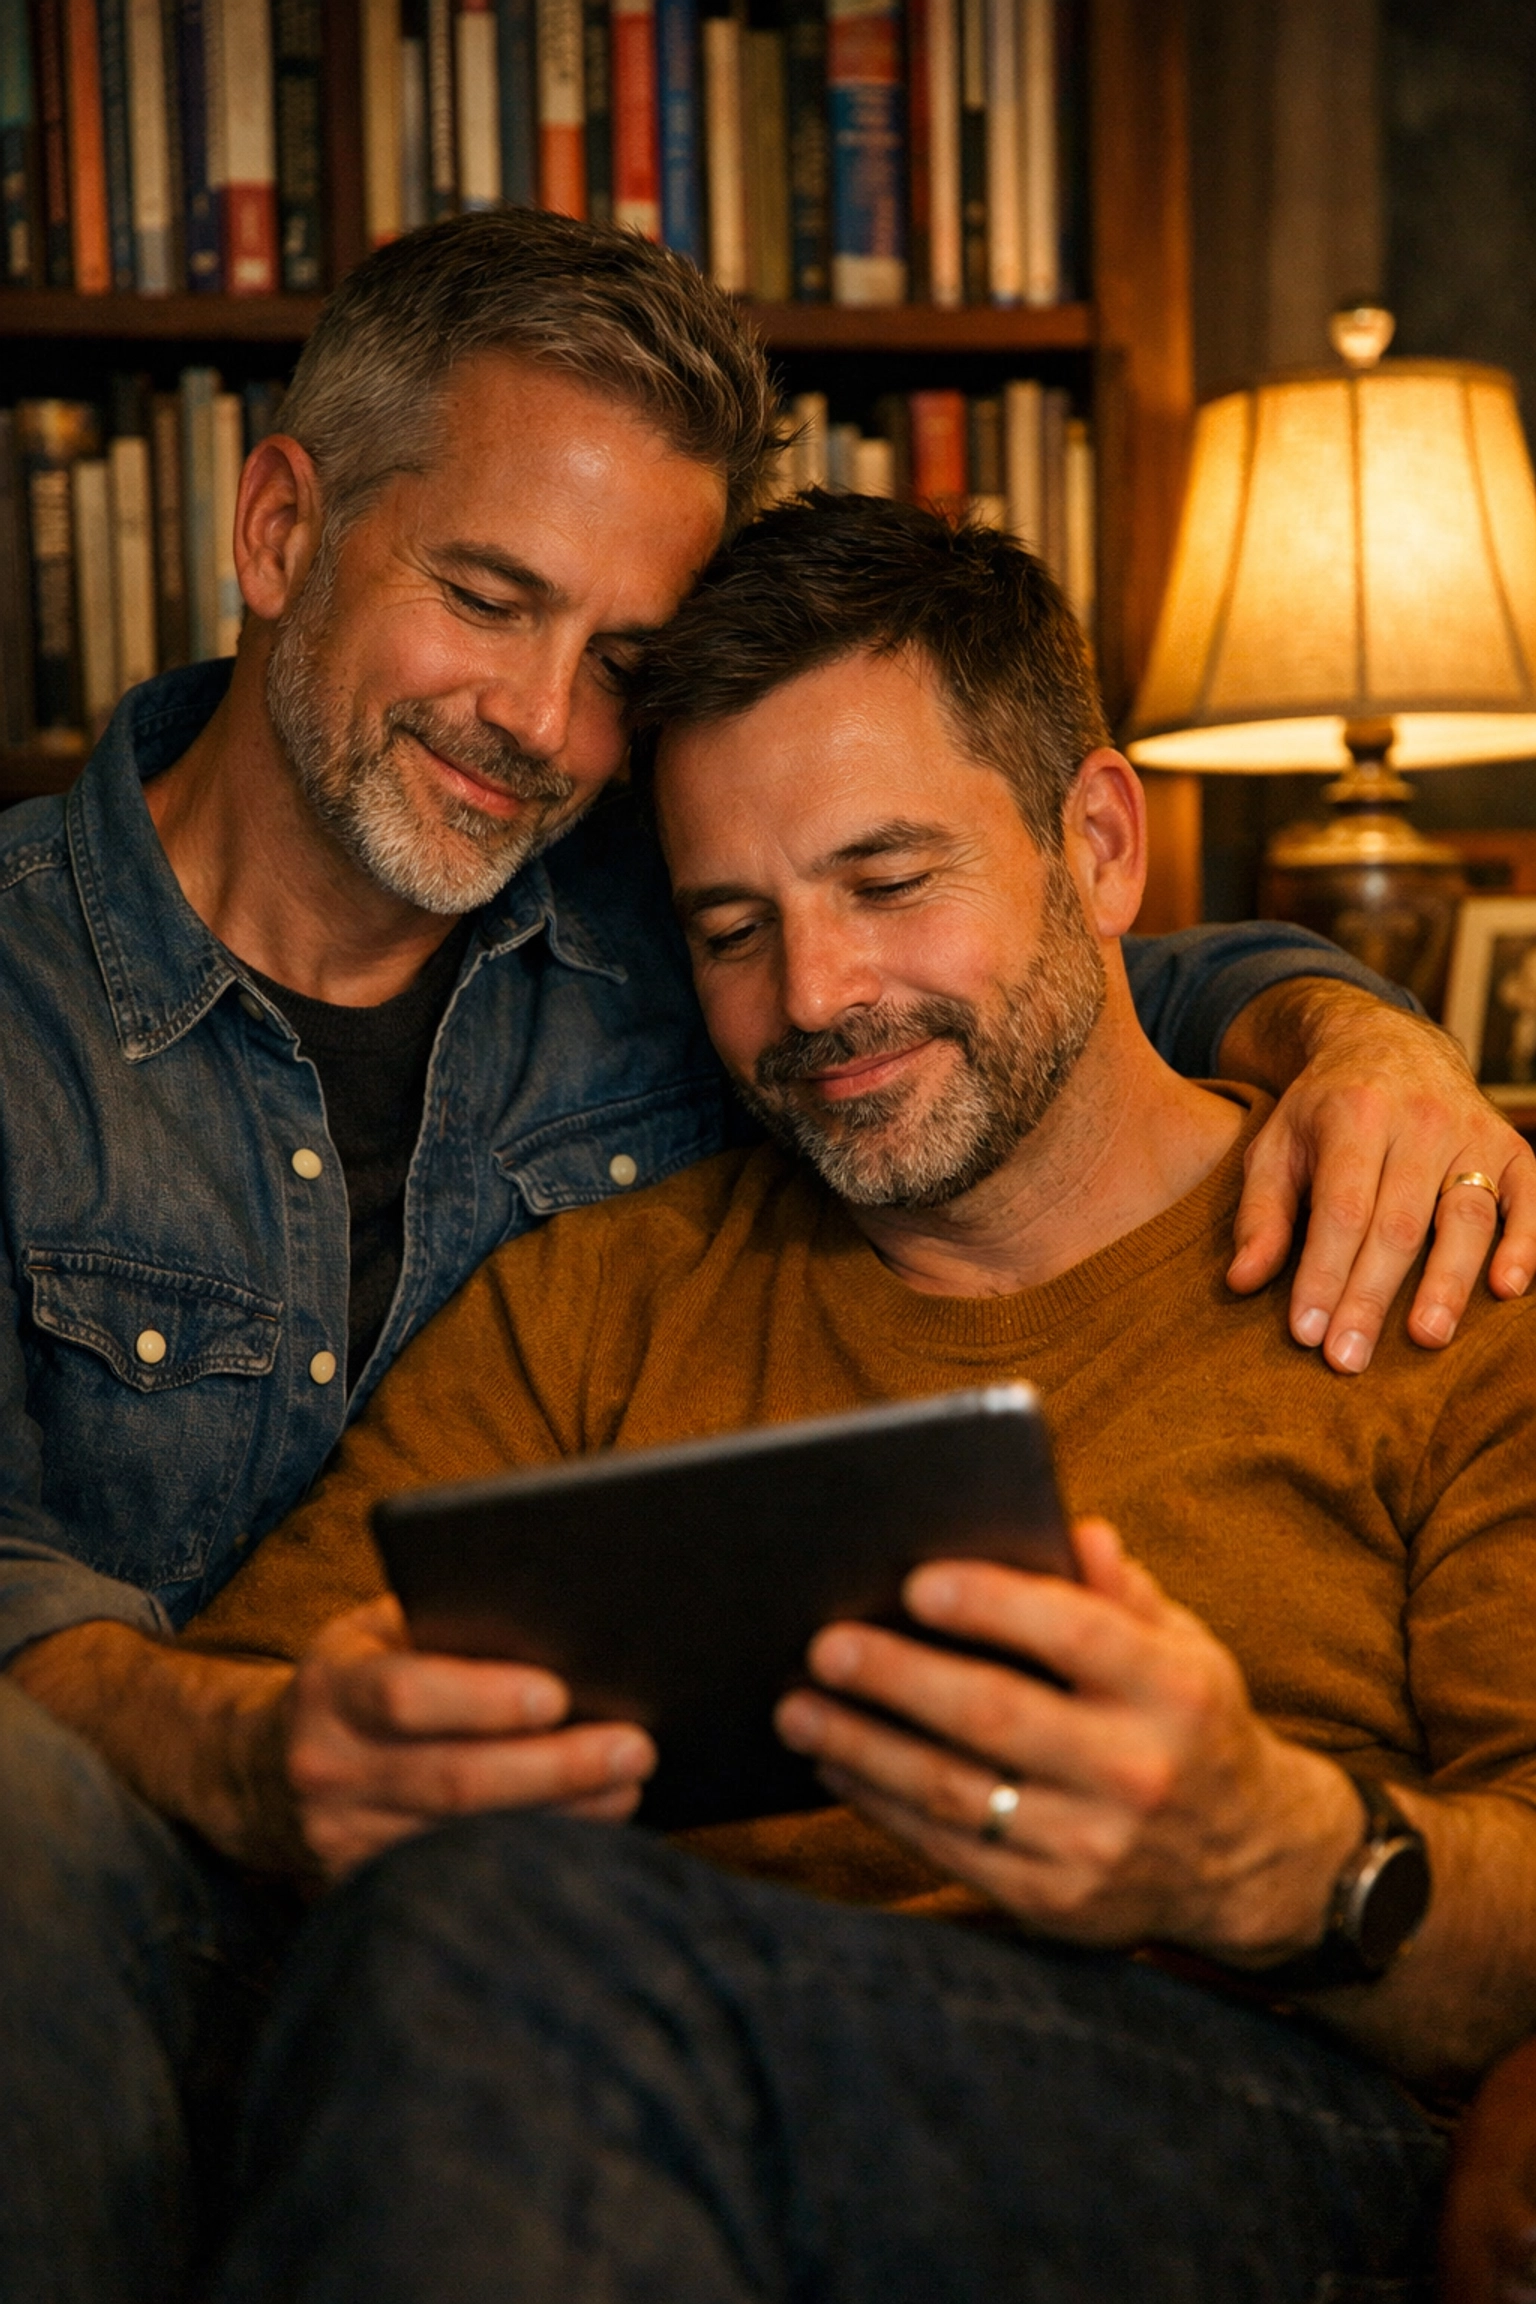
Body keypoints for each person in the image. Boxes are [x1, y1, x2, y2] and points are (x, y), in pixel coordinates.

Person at [0, 210, 1527, 2297]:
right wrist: (307, 1761)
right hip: (516, 2052)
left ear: (1093, 841)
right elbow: (281, 1711)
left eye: (891, 881)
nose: (819, 994)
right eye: (732, 929)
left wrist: (1275, 1853)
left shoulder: (1428, 1253)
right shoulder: (604, 1274)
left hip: (1225, 2096)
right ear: (280, 525)